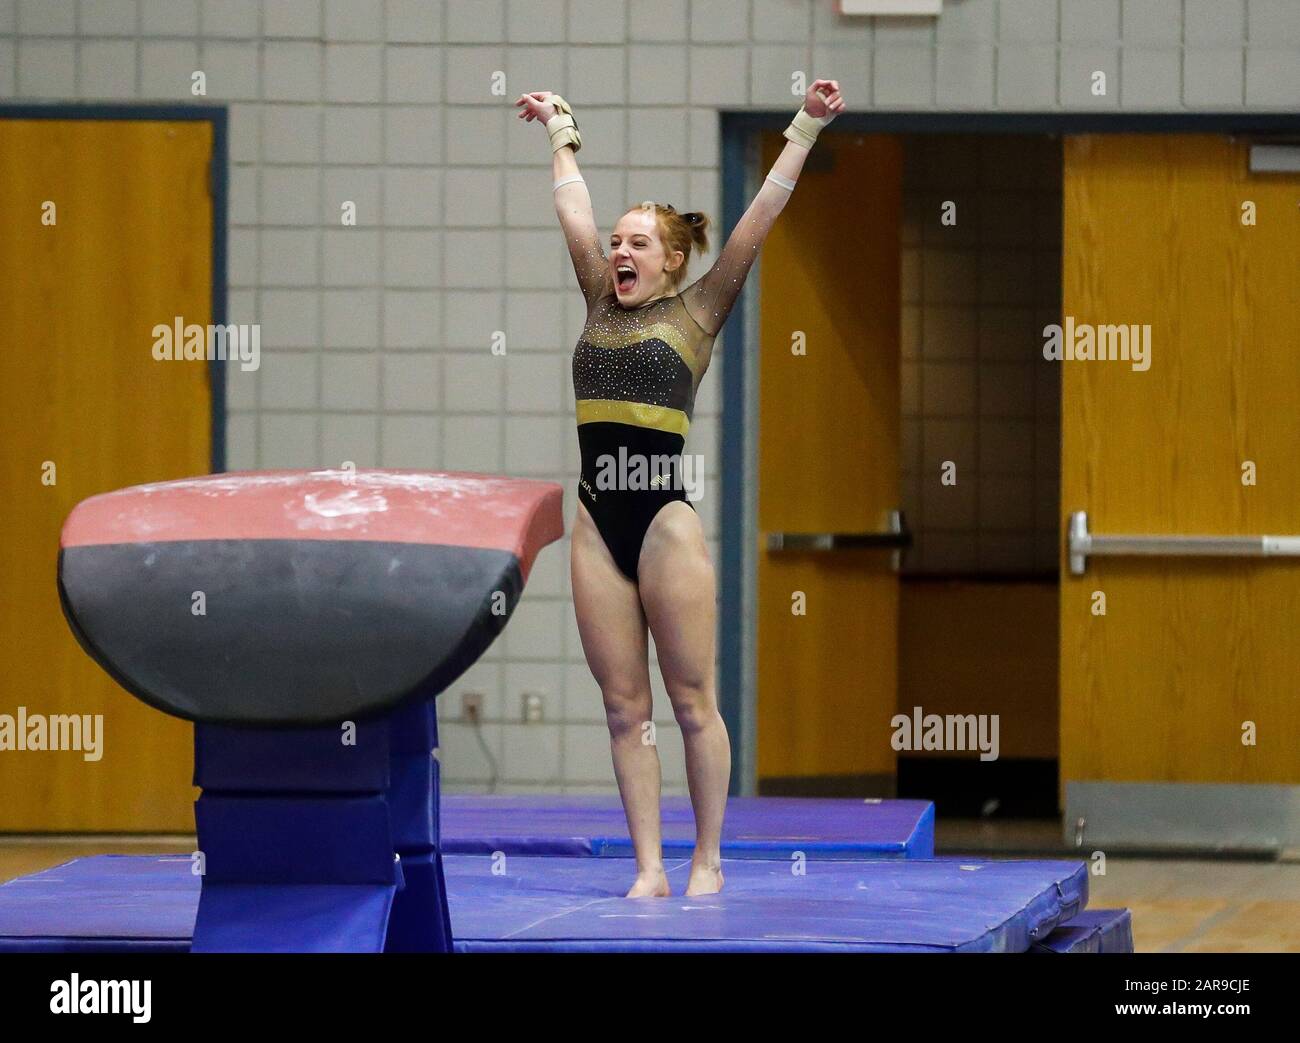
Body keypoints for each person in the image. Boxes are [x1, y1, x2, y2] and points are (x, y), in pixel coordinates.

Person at [515, 80, 846, 897]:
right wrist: (561, 127)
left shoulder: (699, 310)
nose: (619, 251)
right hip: (597, 518)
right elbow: (571, 211)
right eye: (616, 242)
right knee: (625, 707)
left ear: (670, 260)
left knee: (692, 698)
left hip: (663, 518)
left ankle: (706, 859)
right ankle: (651, 867)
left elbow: (756, 223)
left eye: (637, 244)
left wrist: (803, 125)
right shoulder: (598, 296)